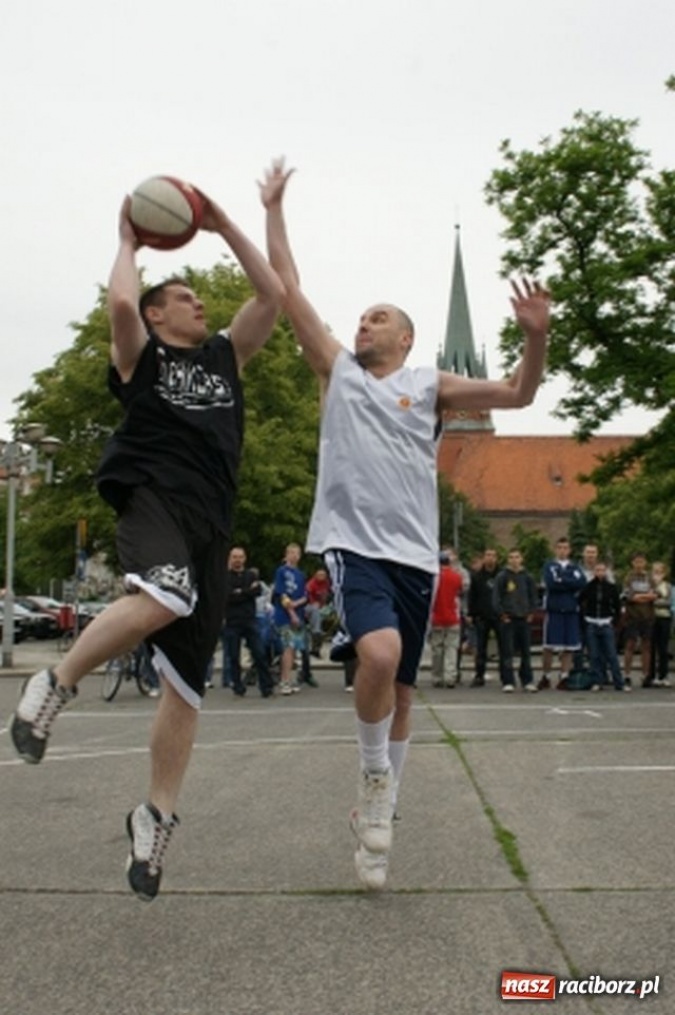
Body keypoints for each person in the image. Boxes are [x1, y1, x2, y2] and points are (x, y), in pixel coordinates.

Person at [260, 157, 550, 890]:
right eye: (360, 315)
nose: (363, 321)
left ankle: (378, 822)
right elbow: (287, 289)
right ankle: (372, 782)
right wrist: (272, 211)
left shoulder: (430, 387)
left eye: (378, 316)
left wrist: (535, 335)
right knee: (379, 658)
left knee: (405, 689)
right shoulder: (339, 371)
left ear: (407, 340)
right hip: (354, 543)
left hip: (416, 557)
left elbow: (517, 392)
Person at [9, 186, 284, 901]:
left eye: (198, 296)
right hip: (152, 495)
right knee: (163, 591)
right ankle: (53, 684)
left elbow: (272, 294)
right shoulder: (143, 357)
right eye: (183, 295)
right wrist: (129, 243)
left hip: (209, 520)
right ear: (160, 313)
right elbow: (123, 308)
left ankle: (155, 813)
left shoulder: (225, 356)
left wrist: (224, 221)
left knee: (186, 689)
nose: (198, 302)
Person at [222, 547, 274, 698]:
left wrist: (240, 592)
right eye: (234, 557)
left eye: (240, 557)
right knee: (233, 656)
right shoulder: (224, 577)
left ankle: (266, 686)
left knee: (259, 653)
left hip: (250, 620)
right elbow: (227, 596)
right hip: (232, 622)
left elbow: (257, 592)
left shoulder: (250, 575)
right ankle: (237, 686)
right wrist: (245, 592)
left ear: (244, 559)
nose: (237, 560)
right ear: (230, 559)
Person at [539, 537, 586, 690]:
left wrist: (562, 581)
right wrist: (568, 584)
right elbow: (552, 584)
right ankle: (546, 675)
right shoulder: (550, 566)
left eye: (565, 547)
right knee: (549, 645)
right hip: (554, 610)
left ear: (570, 550)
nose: (562, 550)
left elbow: (581, 583)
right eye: (560, 547)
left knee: (569, 646)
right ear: (555, 549)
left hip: (571, 610)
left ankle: (564, 675)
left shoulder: (575, 567)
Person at [493, 549, 538, 692]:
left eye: (517, 557)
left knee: (525, 652)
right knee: (507, 652)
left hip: (524, 619)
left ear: (521, 559)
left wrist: (531, 612)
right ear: (508, 560)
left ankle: (527, 680)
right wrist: (502, 614)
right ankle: (508, 681)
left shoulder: (528, 577)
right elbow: (496, 598)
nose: (514, 560)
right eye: (511, 557)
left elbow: (534, 596)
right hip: (508, 619)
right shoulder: (502, 577)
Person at [578, 560, 627, 691]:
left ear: (606, 572)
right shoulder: (588, 586)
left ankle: (619, 682)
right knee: (594, 655)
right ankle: (597, 681)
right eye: (597, 570)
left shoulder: (611, 587)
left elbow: (617, 605)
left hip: (606, 622)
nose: (600, 573)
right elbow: (580, 601)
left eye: (602, 570)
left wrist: (615, 621)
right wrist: (584, 619)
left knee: (611, 654)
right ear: (594, 572)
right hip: (592, 623)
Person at [273, 543, 310, 694]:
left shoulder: (300, 574)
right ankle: (284, 680)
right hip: (285, 615)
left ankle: (291, 678)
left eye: (297, 553)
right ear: (286, 554)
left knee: (295, 648)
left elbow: (305, 596)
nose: (294, 556)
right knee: (287, 647)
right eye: (291, 553)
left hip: (299, 614)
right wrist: (291, 612)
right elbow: (282, 594)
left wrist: (298, 604)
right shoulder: (281, 572)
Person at [467, 548, 504, 688]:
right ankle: (479, 675)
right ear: (484, 558)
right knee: (481, 648)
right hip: (482, 616)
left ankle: (505, 676)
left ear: (497, 558)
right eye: (488, 555)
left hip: (499, 615)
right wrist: (471, 614)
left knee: (503, 648)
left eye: (493, 555)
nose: (490, 558)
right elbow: (472, 596)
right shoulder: (477, 576)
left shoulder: (502, 575)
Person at [621, 551, 657, 688]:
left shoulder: (649, 578)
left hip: (647, 616)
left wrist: (641, 596)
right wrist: (644, 596)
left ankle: (645, 675)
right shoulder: (629, 577)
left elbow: (655, 594)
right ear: (633, 563)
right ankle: (627, 675)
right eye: (637, 562)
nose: (639, 564)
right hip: (632, 616)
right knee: (630, 645)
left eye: (642, 561)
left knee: (646, 646)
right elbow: (629, 596)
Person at [429, 548, 463, 688]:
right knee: (451, 648)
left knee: (437, 649)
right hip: (452, 617)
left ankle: (437, 677)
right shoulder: (456, 577)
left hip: (437, 617)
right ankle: (450, 676)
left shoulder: (433, 577)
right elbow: (459, 592)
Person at [647, 561, 671, 688]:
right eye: (654, 572)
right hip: (652, 618)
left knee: (663, 647)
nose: (656, 574)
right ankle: (651, 675)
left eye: (659, 572)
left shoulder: (668, 586)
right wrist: (654, 596)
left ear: (664, 573)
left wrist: (656, 598)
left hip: (665, 618)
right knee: (651, 647)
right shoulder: (650, 585)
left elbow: (668, 602)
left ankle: (663, 675)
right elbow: (648, 600)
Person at [305, 567, 333, 658]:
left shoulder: (327, 584)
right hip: (310, 606)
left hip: (324, 607)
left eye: (324, 575)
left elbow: (329, 595)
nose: (322, 576)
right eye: (320, 575)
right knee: (316, 613)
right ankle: (316, 645)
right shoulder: (311, 584)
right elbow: (307, 596)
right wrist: (314, 603)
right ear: (316, 575)